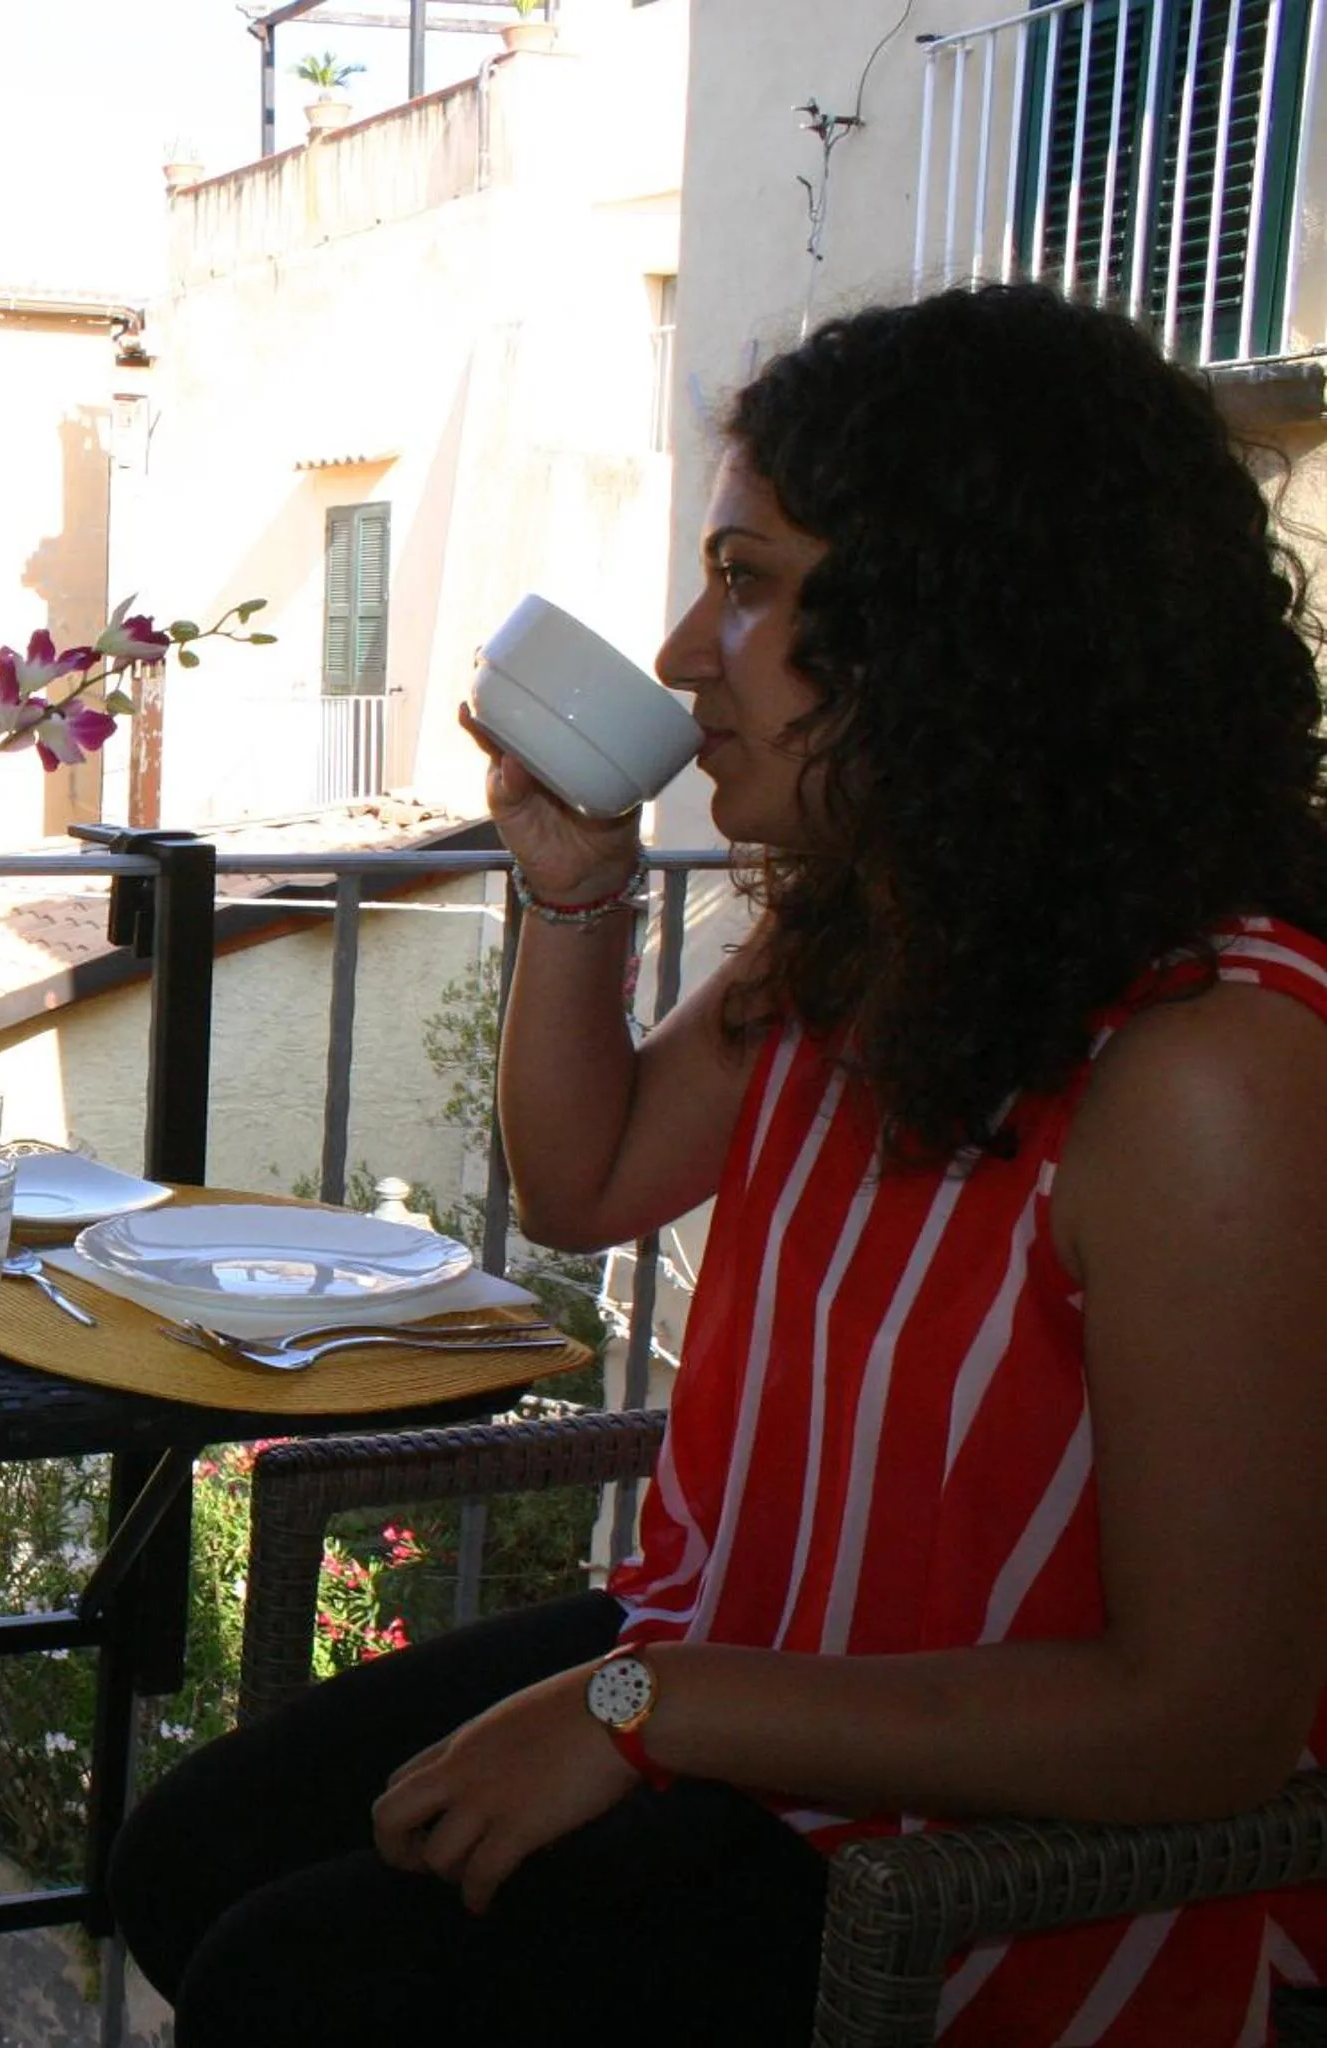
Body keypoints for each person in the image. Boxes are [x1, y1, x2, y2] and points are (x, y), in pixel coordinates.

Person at [106, 283, 1327, 2045]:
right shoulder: (872, 942)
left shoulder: (1211, 1065)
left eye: (746, 582)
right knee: (184, 1863)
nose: (686, 653)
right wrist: (576, 885)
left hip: (992, 1875)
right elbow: (585, 1182)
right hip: (733, 1669)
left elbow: (1204, 1725)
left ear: (960, 624)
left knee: (291, 1989)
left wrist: (647, 1711)